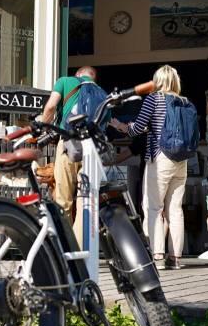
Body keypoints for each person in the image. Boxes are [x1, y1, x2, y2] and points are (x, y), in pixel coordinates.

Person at [110, 65, 187, 270]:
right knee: (175, 209)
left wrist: (120, 126)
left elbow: (135, 129)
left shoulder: (154, 99)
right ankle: (175, 258)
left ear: (157, 81)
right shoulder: (183, 101)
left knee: (153, 207)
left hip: (160, 157)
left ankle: (158, 256)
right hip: (181, 161)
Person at [38, 66, 106, 222]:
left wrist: (42, 126)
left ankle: (66, 245)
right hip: (92, 148)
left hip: (68, 144)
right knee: (86, 202)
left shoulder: (65, 81)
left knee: (63, 199)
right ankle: (83, 243)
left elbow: (50, 107)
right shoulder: (102, 93)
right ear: (93, 78)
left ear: (78, 74)